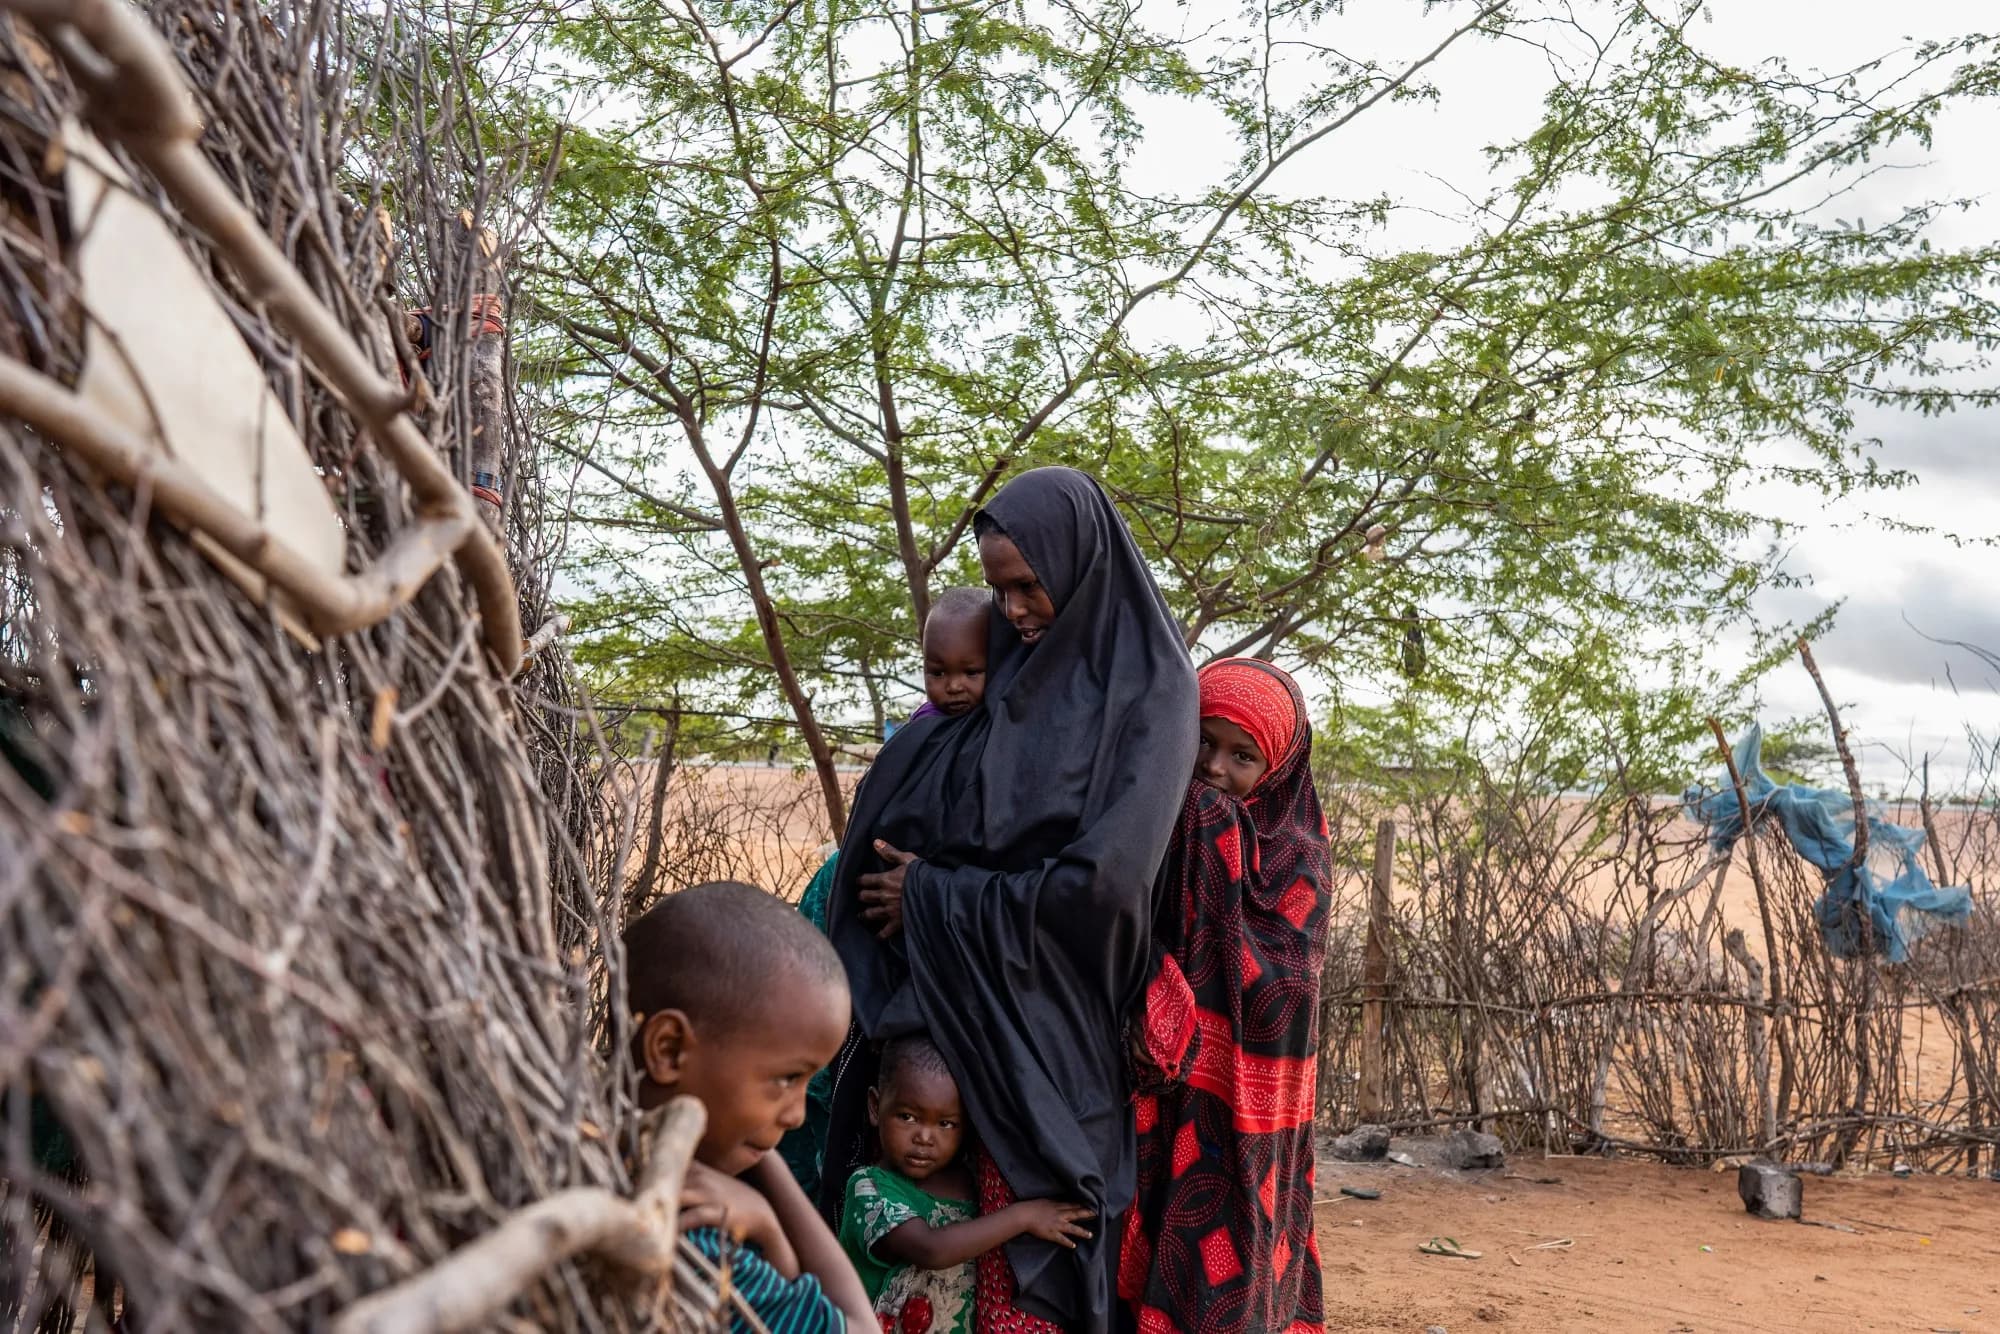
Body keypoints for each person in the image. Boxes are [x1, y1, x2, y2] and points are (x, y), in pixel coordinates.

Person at [821, 467, 1198, 1334]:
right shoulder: (1017, 671)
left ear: (1083, 563)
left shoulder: (1154, 691)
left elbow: (1104, 884)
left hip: (1058, 1020)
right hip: (954, 1007)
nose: (1016, 610)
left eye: (1030, 585)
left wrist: (933, 894)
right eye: (1000, 591)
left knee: (1048, 1263)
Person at [1121, 659, 1333, 1334]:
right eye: (1202, 742)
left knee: (1238, 1245)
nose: (1213, 767)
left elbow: (1287, 988)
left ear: (1277, 768)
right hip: (1164, 1077)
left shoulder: (1299, 858)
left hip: (1254, 1100)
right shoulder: (1155, 826)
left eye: (1243, 756)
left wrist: (1208, 832)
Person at [780, 587, 994, 1198]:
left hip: (936, 953)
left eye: (972, 672)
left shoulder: (1007, 741)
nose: (953, 686)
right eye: (937, 672)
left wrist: (927, 892)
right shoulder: (917, 736)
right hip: (866, 919)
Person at [622, 881, 876, 1334]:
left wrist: (768, 1227)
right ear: (669, 1049)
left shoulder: (584, 1140)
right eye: (787, 1078)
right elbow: (862, 1328)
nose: (797, 1114)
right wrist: (765, 1209)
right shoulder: (698, 1249)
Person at [838, 1036, 1094, 1334]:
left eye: (945, 1123)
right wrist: (1024, 1217)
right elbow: (930, 1249)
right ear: (875, 1107)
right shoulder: (870, 1188)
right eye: (907, 1117)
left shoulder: (970, 1180)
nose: (924, 1137)